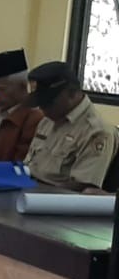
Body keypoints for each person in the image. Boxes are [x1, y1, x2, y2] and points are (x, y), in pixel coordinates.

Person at [24, 61, 115, 193]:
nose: (42, 108)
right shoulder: (48, 121)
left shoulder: (97, 132)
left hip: (52, 201)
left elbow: (81, 187)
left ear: (72, 94)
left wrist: (37, 193)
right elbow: (30, 165)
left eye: (48, 103)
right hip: (27, 190)